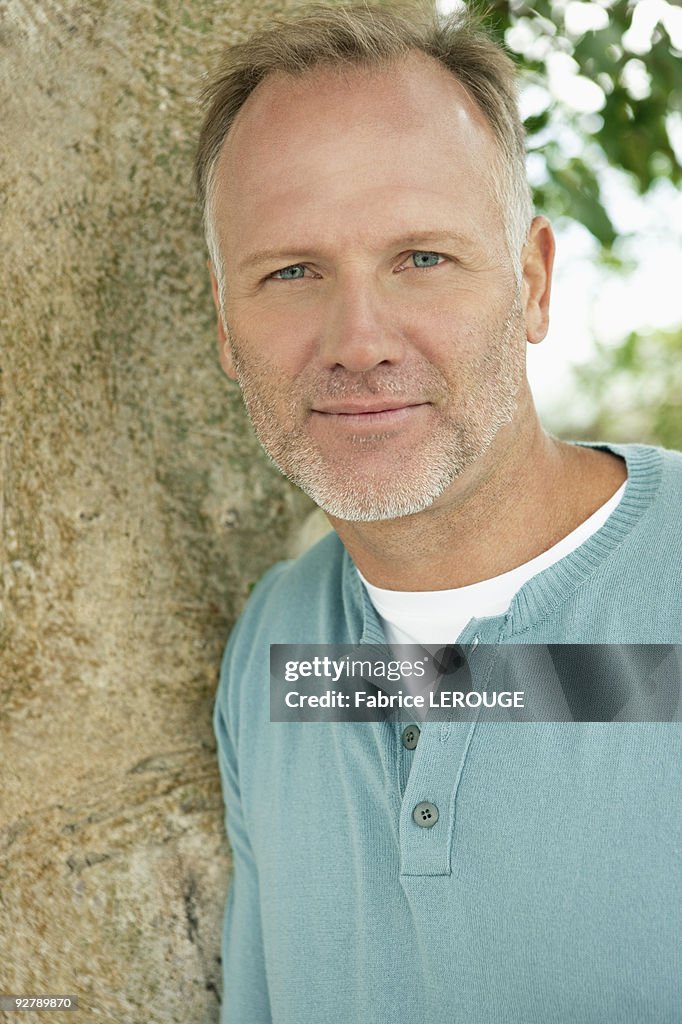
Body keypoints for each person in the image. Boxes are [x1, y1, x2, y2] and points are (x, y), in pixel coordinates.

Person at [193, 4, 682, 1021]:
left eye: (421, 257)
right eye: (291, 270)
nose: (359, 339)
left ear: (533, 282)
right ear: (226, 327)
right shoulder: (280, 647)